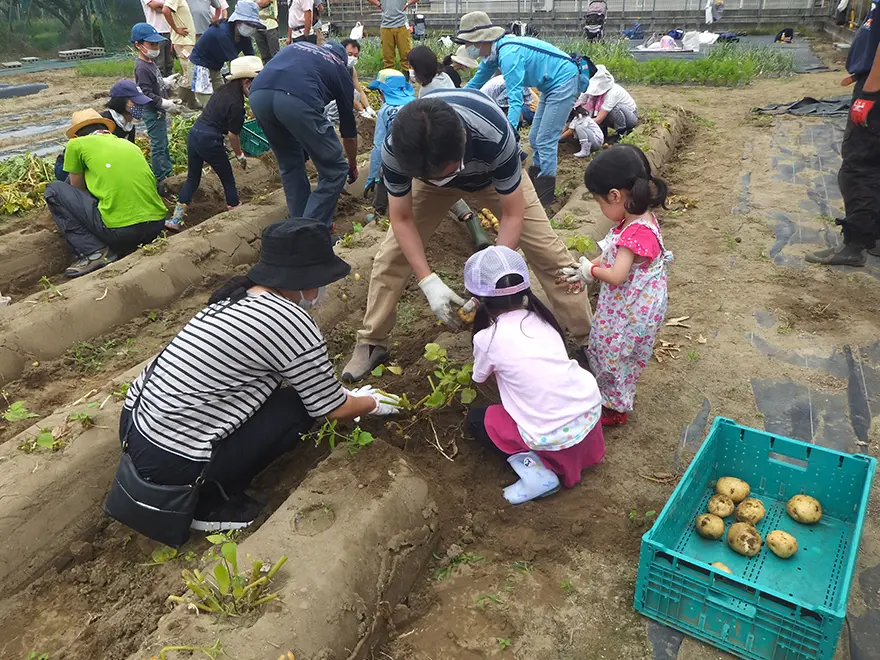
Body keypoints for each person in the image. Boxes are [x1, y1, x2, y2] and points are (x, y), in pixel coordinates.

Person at [118, 221, 403, 532]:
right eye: (321, 279)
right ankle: (208, 502)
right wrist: (369, 403)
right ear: (302, 279)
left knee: (272, 393)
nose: (323, 289)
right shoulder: (289, 320)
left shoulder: (234, 296)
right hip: (176, 462)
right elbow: (330, 407)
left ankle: (199, 477)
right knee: (296, 407)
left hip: (137, 430)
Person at [342, 89, 592, 382]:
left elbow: (512, 214)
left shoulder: (493, 133)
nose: (443, 179)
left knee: (550, 255)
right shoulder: (398, 147)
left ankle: (589, 341)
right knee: (391, 256)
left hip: (490, 179)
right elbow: (402, 217)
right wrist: (428, 280)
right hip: (429, 187)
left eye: (446, 172)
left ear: (463, 138)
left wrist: (490, 280)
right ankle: (373, 341)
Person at [464, 246, 606, 503]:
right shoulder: (543, 319)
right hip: (588, 415)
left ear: (477, 299)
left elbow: (479, 378)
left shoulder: (487, 338)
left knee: (477, 419)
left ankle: (537, 472)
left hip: (552, 436)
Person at [561, 145, 671, 427]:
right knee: (613, 352)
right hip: (632, 306)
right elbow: (613, 254)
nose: (601, 208)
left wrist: (592, 271)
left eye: (599, 203)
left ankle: (614, 407)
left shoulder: (635, 232)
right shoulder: (637, 220)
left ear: (615, 195)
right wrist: (587, 267)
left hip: (629, 312)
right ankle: (612, 394)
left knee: (614, 354)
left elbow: (617, 275)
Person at [460, 12, 582, 207]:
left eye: (468, 43)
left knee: (545, 139)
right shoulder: (493, 54)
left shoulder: (509, 54)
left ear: (481, 40)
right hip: (549, 86)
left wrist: (509, 132)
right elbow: (475, 83)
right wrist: (452, 99)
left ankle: (546, 194)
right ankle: (536, 177)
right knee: (534, 138)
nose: (467, 48)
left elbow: (515, 99)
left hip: (564, 81)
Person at [44, 109, 167, 278]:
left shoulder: (77, 145)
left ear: (76, 135)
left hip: (122, 232)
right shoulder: (129, 145)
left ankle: (94, 252)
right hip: (156, 225)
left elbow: (77, 189)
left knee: (54, 189)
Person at [249, 41, 358, 231]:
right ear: (344, 59)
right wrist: (352, 164)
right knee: (335, 170)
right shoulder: (340, 68)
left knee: (291, 165)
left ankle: (297, 227)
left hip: (258, 95)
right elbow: (348, 133)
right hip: (296, 99)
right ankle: (307, 232)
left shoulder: (298, 47)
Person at [806, 0, 880, 266]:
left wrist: (869, 92)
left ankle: (854, 246)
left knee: (859, 166)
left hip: (875, 92)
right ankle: (873, 235)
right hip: (871, 82)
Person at [168, 56, 263, 231]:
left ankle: (176, 219)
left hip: (195, 134)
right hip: (210, 140)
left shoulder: (222, 91)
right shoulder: (237, 105)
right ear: (247, 83)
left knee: (192, 178)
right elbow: (233, 135)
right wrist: (240, 156)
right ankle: (235, 209)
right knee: (227, 178)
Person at [132, 22, 180, 194]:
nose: (156, 47)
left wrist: (165, 82)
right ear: (139, 45)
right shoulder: (142, 67)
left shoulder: (150, 63)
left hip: (158, 111)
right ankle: (162, 181)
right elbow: (145, 94)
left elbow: (153, 86)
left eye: (157, 43)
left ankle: (167, 173)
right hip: (153, 113)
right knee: (159, 146)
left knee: (163, 143)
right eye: (151, 44)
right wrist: (165, 103)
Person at [363, 69, 417, 215]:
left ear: (382, 92)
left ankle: (379, 213)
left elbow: (379, 145)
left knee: (384, 175)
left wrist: (372, 175)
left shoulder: (386, 111)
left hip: (394, 156)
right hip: (418, 155)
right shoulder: (416, 104)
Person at [190, 1, 263, 106]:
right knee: (210, 105)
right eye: (248, 24)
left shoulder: (245, 37)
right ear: (237, 21)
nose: (250, 27)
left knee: (223, 98)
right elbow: (235, 63)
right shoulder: (222, 33)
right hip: (200, 66)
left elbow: (251, 59)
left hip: (216, 66)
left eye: (253, 25)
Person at [575, 64, 638, 141]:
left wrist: (579, 124)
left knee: (612, 109)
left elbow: (599, 119)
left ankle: (622, 131)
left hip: (629, 117)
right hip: (610, 116)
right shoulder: (589, 93)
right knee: (596, 110)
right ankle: (602, 133)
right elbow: (579, 103)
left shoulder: (613, 92)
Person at [162, 0, 198, 106]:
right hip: (184, 42)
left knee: (190, 72)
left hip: (186, 41)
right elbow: (165, 10)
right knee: (189, 73)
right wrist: (176, 30)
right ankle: (181, 103)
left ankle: (191, 101)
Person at [367, 0, 417, 69]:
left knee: (406, 57)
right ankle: (390, 77)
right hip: (386, 26)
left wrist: (408, 3)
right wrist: (378, 4)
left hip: (402, 25)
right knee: (388, 60)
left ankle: (407, 78)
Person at [140, 0, 174, 76]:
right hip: (155, 32)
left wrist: (165, 6)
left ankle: (168, 85)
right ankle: (158, 84)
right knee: (159, 64)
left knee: (170, 63)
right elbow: (154, 6)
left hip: (170, 30)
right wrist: (168, 6)